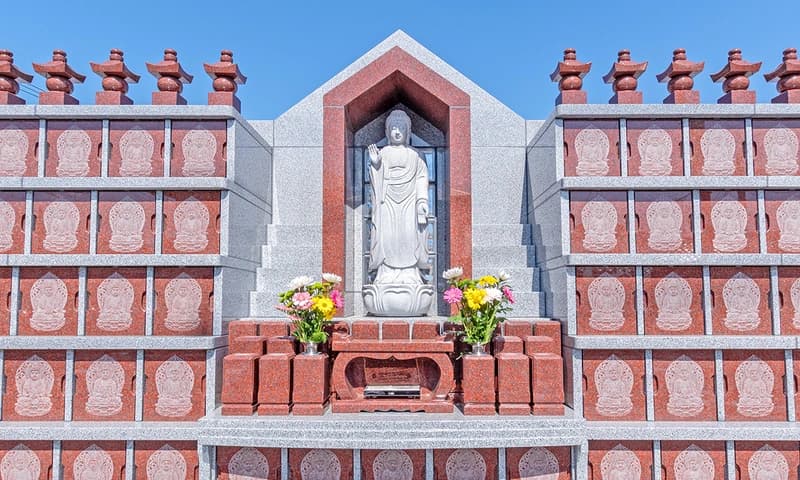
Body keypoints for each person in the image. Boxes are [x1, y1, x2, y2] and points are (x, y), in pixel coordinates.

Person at [366, 110, 429, 286]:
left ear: (408, 131)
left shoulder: (416, 155)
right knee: (387, 237)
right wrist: (376, 164)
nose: (397, 131)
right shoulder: (384, 153)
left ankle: (410, 274)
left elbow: (421, 178)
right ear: (387, 132)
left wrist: (422, 201)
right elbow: (376, 179)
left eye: (401, 127)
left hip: (409, 202)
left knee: (409, 236)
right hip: (387, 201)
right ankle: (386, 274)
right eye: (393, 128)